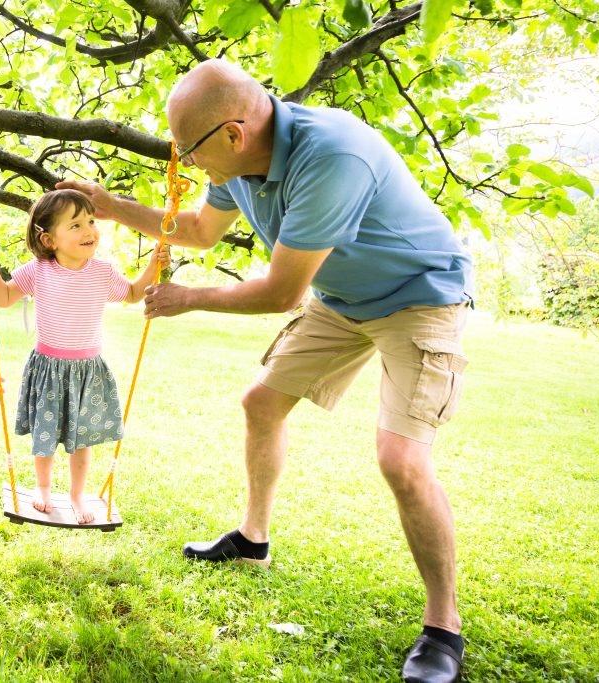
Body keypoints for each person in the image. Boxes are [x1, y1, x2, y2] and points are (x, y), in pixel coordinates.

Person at [58, 59, 473, 682]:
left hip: (420, 296)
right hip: (343, 299)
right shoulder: (242, 162)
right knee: (261, 403)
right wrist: (115, 208)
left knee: (401, 460)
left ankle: (444, 627)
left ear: (232, 132)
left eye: (190, 150)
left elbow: (281, 291)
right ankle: (253, 541)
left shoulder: (330, 157)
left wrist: (191, 297)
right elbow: (200, 230)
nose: (189, 163)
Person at [0, 189, 170, 524]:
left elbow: (135, 293)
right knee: (45, 435)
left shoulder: (102, 273)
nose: (89, 230)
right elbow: (4, 298)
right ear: (49, 239)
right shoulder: (38, 271)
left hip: (88, 370)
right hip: (48, 367)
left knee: (82, 440)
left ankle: (78, 494)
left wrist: (154, 264)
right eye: (76, 225)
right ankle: (43, 488)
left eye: (90, 221)